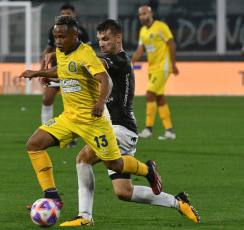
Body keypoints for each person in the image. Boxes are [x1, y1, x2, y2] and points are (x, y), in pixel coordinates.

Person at [59, 19, 200, 226]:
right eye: (99, 40)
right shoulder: (110, 62)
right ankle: (178, 202)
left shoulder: (120, 61)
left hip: (120, 129)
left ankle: (85, 217)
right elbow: (82, 72)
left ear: (118, 38)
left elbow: (91, 65)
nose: (102, 43)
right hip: (115, 130)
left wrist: (62, 58)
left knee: (83, 158)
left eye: (106, 39)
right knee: (124, 192)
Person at [20, 15, 162, 214]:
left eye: (61, 37)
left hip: (92, 121)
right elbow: (65, 70)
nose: (57, 41)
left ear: (75, 35)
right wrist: (39, 73)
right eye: (55, 37)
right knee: (34, 145)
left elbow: (105, 79)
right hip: (69, 117)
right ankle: (52, 196)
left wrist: (100, 102)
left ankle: (147, 170)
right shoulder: (62, 51)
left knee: (114, 163)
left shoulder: (90, 55)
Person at [41, 3, 90, 148]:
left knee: (70, 104)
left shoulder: (81, 32)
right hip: (58, 70)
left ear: (74, 14)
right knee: (47, 99)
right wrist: (42, 69)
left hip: (75, 73)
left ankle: (72, 137)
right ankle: (47, 131)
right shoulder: (54, 30)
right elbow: (49, 48)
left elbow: (87, 52)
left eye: (68, 13)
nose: (65, 16)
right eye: (63, 14)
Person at [131, 5, 178, 140]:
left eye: (145, 13)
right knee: (159, 98)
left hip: (162, 67)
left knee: (149, 94)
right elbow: (140, 49)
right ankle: (169, 131)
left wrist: (173, 64)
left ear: (151, 14)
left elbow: (172, 44)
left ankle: (148, 129)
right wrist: (131, 62)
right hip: (152, 68)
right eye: (140, 15)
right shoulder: (143, 31)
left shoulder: (160, 26)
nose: (142, 17)